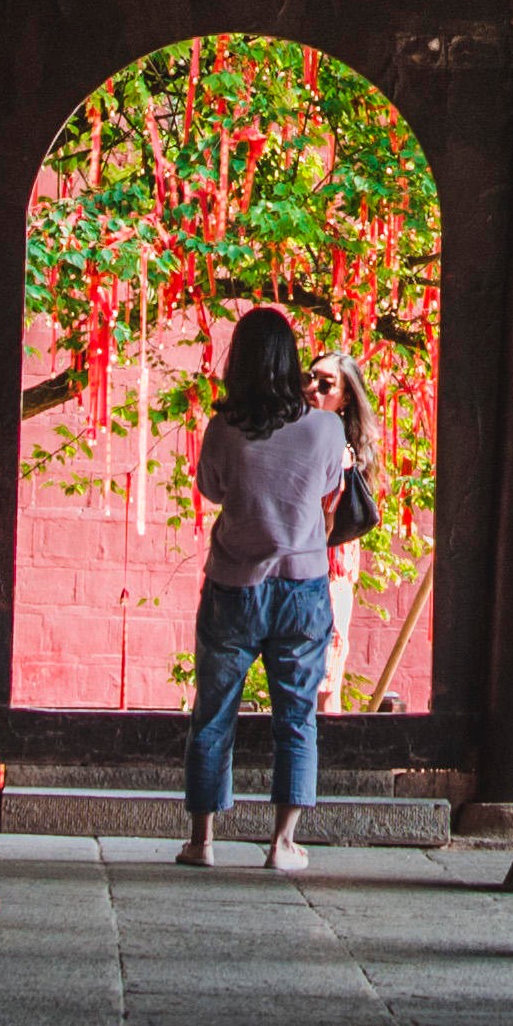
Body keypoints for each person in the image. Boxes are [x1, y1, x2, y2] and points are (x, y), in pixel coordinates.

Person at [180, 303, 360, 875]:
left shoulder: (223, 428)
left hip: (233, 584)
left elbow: (212, 490)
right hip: (302, 588)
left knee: (213, 714)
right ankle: (282, 844)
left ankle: (202, 841)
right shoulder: (326, 428)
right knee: (297, 717)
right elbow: (329, 485)